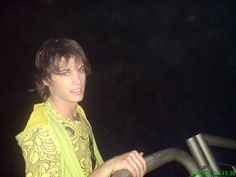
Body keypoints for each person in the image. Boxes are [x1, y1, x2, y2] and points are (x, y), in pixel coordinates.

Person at [16, 38, 146, 177]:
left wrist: (116, 167)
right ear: (46, 79)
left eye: (80, 70)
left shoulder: (78, 111)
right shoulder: (40, 133)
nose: (78, 80)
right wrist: (109, 167)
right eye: (66, 73)